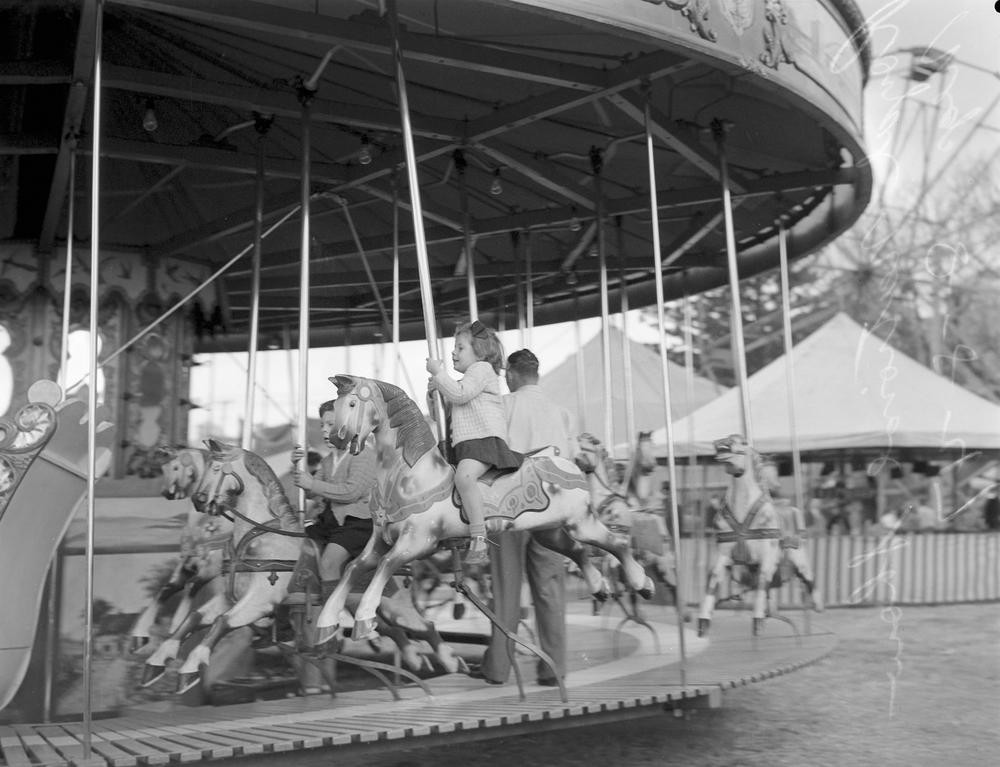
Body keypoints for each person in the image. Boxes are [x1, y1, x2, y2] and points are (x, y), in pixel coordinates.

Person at [475, 348, 575, 687]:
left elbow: (489, 451)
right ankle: (554, 667)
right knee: (549, 588)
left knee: (506, 587)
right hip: (552, 505)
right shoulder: (561, 413)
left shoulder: (505, 405)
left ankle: (499, 667)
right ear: (536, 373)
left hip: (511, 504)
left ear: (512, 375)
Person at [427, 319, 521, 565]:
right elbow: (442, 416)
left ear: (478, 351)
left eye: (460, 348)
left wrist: (439, 373)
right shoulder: (465, 380)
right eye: (454, 348)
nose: (453, 352)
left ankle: (479, 537)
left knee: (464, 478)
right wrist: (433, 395)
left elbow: (460, 394)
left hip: (484, 440)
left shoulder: (481, 370)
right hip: (467, 444)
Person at [291, 399, 377, 599]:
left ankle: (330, 620)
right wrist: (298, 467)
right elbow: (312, 492)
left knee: (329, 563)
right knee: (295, 544)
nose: (323, 430)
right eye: (322, 425)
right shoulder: (329, 459)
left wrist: (312, 484)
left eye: (331, 425)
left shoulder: (363, 454)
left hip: (358, 522)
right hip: (332, 521)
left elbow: (351, 492)